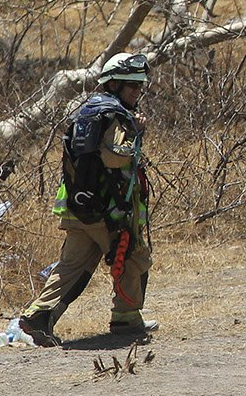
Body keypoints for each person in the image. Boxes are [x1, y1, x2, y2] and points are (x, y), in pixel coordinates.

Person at [15, 52, 156, 347]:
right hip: (108, 210)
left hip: (77, 208)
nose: (137, 91)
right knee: (133, 259)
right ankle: (126, 319)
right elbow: (117, 157)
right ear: (113, 84)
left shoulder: (88, 110)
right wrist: (135, 130)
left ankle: (39, 316)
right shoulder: (116, 115)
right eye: (131, 85)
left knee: (73, 265)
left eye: (139, 86)